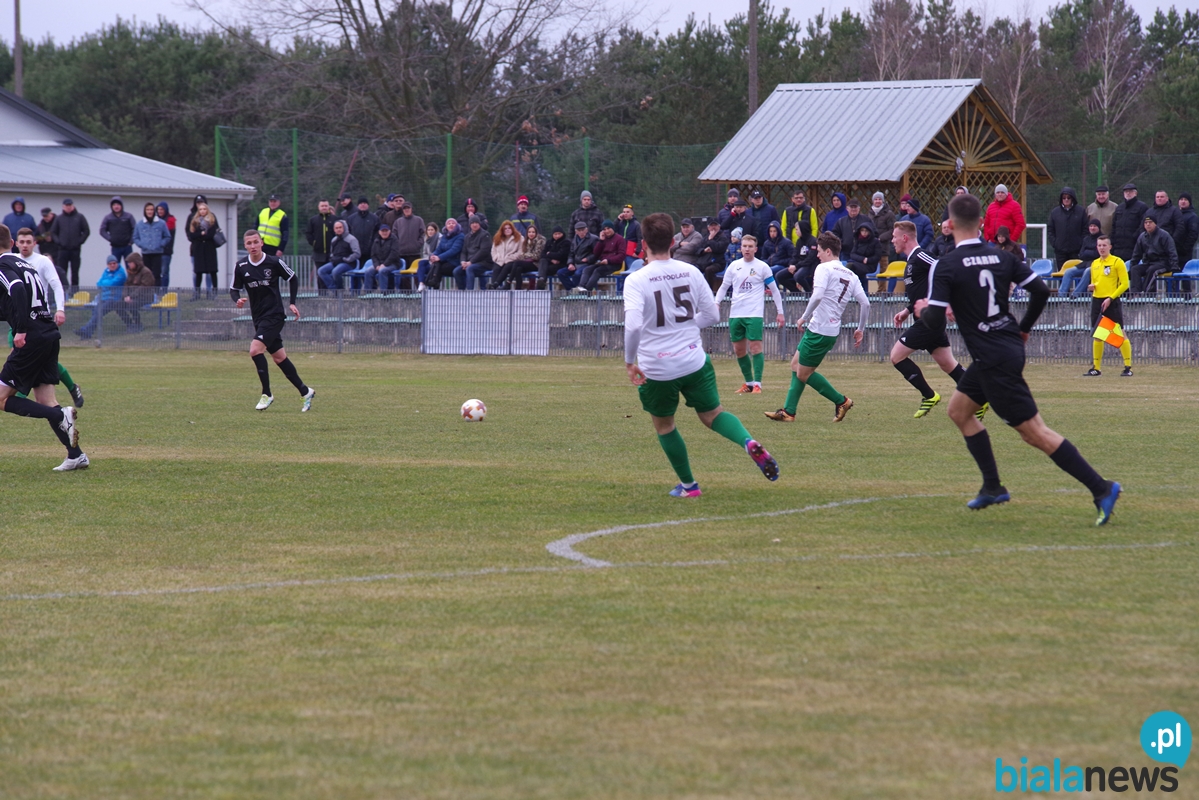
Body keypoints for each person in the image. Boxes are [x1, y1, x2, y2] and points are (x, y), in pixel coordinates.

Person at [914, 192, 1121, 524]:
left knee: (1034, 432)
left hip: (993, 359)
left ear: (949, 225)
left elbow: (935, 321)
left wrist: (923, 309)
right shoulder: (1001, 256)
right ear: (982, 222)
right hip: (1004, 348)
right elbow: (1039, 290)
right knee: (959, 411)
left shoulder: (948, 264)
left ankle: (1102, 488)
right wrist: (1024, 329)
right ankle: (993, 486)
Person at [623, 212, 779, 497]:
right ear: (673, 242)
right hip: (694, 360)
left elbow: (633, 326)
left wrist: (629, 362)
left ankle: (689, 486)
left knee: (665, 425)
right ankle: (748, 442)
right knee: (713, 414)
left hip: (657, 367)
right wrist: (683, 327)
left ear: (643, 243)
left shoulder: (636, 280)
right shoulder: (691, 272)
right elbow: (712, 315)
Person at [0, 225, 85, 471]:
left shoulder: (3, 265)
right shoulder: (25, 264)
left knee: (2, 398)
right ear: (13, 243)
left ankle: (60, 416)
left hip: (32, 336)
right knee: (46, 400)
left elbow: (17, 289)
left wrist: (21, 329)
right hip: (48, 333)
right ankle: (76, 455)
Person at [764, 232, 867, 424]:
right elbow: (866, 304)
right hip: (827, 330)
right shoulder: (851, 275)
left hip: (820, 329)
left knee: (803, 373)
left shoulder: (823, 268)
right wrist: (860, 328)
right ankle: (788, 412)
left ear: (828, 251)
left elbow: (818, 295)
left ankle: (841, 401)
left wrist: (803, 317)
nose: (817, 255)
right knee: (795, 365)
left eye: (819, 251)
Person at [889, 220, 974, 419]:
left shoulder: (920, 255)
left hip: (930, 320)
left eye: (894, 237)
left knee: (896, 356)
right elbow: (923, 292)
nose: (892, 240)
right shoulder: (911, 262)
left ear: (904, 237)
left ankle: (929, 395)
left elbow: (942, 266)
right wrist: (907, 310)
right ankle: (978, 397)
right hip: (927, 318)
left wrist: (949, 302)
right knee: (948, 364)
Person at [232, 230, 315, 412]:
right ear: (245, 245)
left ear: (261, 242)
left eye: (256, 242)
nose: (253, 246)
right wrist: (237, 300)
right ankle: (305, 391)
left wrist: (292, 302)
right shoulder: (241, 266)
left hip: (274, 315)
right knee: (279, 358)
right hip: (258, 317)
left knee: (255, 350)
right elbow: (234, 289)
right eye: (249, 243)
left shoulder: (274, 262)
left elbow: (292, 278)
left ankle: (267, 393)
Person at [12, 228, 83, 407]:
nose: (25, 245)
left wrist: (60, 309)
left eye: (29, 242)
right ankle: (71, 386)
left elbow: (56, 285)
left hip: (38, 319)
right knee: (31, 356)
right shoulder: (12, 260)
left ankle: (20, 394)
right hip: (18, 319)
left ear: (35, 243)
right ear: (16, 243)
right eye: (22, 242)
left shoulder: (42, 261)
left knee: (30, 355)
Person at [716, 234, 785, 394]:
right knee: (739, 350)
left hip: (754, 313)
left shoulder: (762, 267)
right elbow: (724, 287)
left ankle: (758, 384)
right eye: (744, 246)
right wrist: (716, 303)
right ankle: (748, 383)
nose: (747, 249)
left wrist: (780, 312)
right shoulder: (733, 266)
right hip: (735, 313)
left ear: (755, 249)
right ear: (741, 248)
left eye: (750, 246)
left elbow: (775, 290)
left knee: (755, 347)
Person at [1083, 235, 1133, 378]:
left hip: (1112, 301)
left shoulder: (1117, 262)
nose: (1101, 248)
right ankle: (1096, 368)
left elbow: (1125, 284)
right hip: (1097, 301)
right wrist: (1092, 287)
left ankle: (1128, 367)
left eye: (1104, 245)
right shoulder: (1094, 263)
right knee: (1097, 334)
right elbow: (1096, 282)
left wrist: (1111, 298)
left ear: (1110, 247)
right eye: (1099, 245)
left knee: (1120, 333)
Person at [76, 254, 134, 339]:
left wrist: (105, 283)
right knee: (96, 311)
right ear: (107, 265)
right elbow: (98, 283)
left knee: (99, 311)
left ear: (117, 263)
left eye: (114, 263)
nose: (112, 265)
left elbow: (113, 283)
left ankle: (85, 331)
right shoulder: (106, 271)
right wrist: (107, 283)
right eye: (110, 264)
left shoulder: (121, 273)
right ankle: (87, 333)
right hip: (104, 298)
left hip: (114, 299)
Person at [1127, 215, 1178, 294]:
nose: (1148, 224)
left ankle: (1146, 294)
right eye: (1146, 223)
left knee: (1152, 270)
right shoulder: (1142, 237)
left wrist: (1174, 267)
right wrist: (1131, 267)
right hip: (1148, 263)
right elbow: (1136, 255)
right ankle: (1135, 294)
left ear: (1155, 224)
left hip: (1163, 263)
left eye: (1150, 222)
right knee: (1135, 269)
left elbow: (1172, 252)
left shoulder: (1164, 235)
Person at [50, 198, 89, 291]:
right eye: (66, 206)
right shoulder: (59, 218)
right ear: (63, 207)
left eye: (70, 205)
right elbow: (53, 232)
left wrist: (79, 241)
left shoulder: (80, 217)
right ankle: (63, 291)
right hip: (62, 250)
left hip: (75, 250)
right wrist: (59, 242)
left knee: (75, 272)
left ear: (73, 206)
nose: (68, 207)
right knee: (62, 272)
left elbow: (86, 231)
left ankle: (74, 292)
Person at [186, 195, 221, 297]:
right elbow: (191, 235)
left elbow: (212, 233)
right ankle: (197, 293)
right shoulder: (193, 219)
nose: (202, 210)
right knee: (198, 271)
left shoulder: (212, 219)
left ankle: (213, 293)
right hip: (198, 249)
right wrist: (201, 234)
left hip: (210, 248)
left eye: (204, 208)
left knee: (212, 271)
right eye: (200, 208)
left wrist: (201, 236)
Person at [578, 220, 624, 293]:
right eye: (604, 229)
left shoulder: (620, 239)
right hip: (603, 263)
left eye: (608, 228)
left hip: (614, 264)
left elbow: (621, 256)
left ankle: (587, 290)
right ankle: (581, 287)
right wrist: (601, 241)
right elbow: (596, 253)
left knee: (597, 271)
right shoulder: (603, 239)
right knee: (587, 269)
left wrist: (608, 261)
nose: (607, 231)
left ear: (612, 228)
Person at [1047, 187, 1087, 272]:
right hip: (1060, 251)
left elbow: (1085, 229)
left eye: (1068, 197)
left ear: (1073, 198)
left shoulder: (1081, 211)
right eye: (1064, 198)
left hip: (1076, 250)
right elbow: (1050, 230)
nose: (1066, 200)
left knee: (1077, 273)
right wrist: (1055, 243)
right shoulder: (1055, 212)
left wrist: (1081, 243)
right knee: (1062, 274)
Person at [1059, 219, 1101, 298]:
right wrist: (1091, 253)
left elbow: (1098, 254)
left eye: (1095, 226)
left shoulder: (1101, 239)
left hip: (1097, 266)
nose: (1092, 228)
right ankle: (1061, 296)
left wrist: (1087, 253)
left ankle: (1075, 295)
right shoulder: (1086, 239)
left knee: (1088, 271)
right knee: (1068, 272)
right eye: (1091, 226)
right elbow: (1081, 255)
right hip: (1084, 264)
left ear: (1099, 227)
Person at [494, 223, 544, 290]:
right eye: (529, 232)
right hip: (527, 263)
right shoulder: (526, 241)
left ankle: (508, 283)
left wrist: (525, 255)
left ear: (536, 233)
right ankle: (517, 288)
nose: (531, 234)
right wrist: (526, 256)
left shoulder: (540, 241)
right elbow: (522, 255)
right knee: (517, 268)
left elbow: (536, 256)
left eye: (533, 232)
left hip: (536, 264)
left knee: (517, 263)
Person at [317, 220, 361, 292]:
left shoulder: (352, 239)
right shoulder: (334, 240)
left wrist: (346, 259)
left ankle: (340, 290)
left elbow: (357, 253)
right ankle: (335, 290)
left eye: (340, 227)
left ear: (345, 228)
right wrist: (333, 259)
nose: (338, 229)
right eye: (336, 228)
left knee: (335, 272)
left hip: (348, 263)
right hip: (335, 262)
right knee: (321, 271)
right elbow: (332, 253)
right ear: (334, 230)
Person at [132, 202, 170, 285]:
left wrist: (161, 244)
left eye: (151, 210)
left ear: (154, 211)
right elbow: (135, 237)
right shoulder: (140, 224)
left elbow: (167, 236)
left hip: (157, 253)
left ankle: (156, 292)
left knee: (157, 274)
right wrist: (142, 245)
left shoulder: (161, 223)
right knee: (146, 275)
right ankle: (148, 292)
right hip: (146, 253)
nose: (149, 212)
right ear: (145, 211)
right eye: (148, 210)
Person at [1110, 183, 1148, 261]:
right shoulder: (1119, 208)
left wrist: (1135, 237)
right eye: (1126, 191)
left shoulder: (1142, 207)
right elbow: (1114, 226)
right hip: (1118, 247)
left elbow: (1143, 226)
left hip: (1133, 247)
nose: (1128, 193)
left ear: (1136, 193)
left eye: (1130, 191)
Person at [456, 215, 494, 290]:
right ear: (470, 225)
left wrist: (471, 262)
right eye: (472, 223)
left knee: (470, 269)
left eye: (476, 223)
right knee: (456, 271)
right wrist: (463, 262)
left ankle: (470, 292)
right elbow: (463, 251)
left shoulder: (485, 235)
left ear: (479, 224)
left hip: (484, 263)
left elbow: (484, 251)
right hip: (470, 263)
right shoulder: (467, 237)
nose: (474, 225)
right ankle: (461, 291)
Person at [424, 218, 463, 290]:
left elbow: (454, 250)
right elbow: (439, 249)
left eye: (453, 223)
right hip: (445, 261)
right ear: (446, 226)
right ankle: (434, 284)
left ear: (457, 225)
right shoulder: (445, 236)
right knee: (436, 264)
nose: (451, 225)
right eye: (449, 223)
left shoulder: (460, 236)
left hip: (455, 262)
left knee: (437, 267)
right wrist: (433, 255)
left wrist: (439, 257)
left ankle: (433, 284)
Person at [558, 221, 598, 290]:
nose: (581, 232)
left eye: (583, 230)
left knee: (577, 274)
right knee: (561, 273)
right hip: (576, 264)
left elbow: (597, 253)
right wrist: (570, 263)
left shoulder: (594, 239)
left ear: (587, 230)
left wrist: (588, 258)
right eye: (579, 230)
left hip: (588, 264)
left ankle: (579, 291)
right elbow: (571, 253)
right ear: (576, 232)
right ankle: (572, 290)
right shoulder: (574, 240)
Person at [121, 251, 156, 331]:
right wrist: (125, 296)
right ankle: (129, 324)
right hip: (131, 297)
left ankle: (138, 324)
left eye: (130, 262)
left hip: (145, 297)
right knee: (117, 305)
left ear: (136, 262)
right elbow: (126, 285)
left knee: (132, 306)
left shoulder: (146, 272)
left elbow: (144, 287)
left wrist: (131, 296)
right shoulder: (131, 272)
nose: (128, 264)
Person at [305, 199, 338, 281]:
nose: (324, 207)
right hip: (318, 254)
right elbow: (308, 233)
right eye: (322, 206)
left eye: (326, 206)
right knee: (320, 275)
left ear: (328, 207)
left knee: (333, 274)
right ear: (318, 207)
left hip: (332, 254)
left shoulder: (335, 219)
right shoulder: (313, 220)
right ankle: (322, 290)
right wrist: (314, 243)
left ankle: (333, 289)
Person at [844, 219, 880, 291]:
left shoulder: (875, 242)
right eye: (862, 230)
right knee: (852, 268)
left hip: (870, 265)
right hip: (859, 263)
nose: (864, 233)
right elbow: (852, 254)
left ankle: (849, 290)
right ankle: (858, 291)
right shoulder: (858, 240)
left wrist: (868, 260)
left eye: (866, 231)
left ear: (870, 231)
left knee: (851, 267)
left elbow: (877, 256)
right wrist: (863, 259)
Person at [99, 196, 136, 266]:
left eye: (118, 204)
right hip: (115, 248)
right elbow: (102, 230)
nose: (116, 206)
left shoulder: (129, 216)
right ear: (111, 206)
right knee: (115, 267)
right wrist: (110, 239)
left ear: (121, 206)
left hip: (127, 247)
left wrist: (131, 241)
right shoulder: (108, 218)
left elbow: (135, 229)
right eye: (114, 205)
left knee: (130, 267)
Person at [486, 220, 523, 290]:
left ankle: (495, 285)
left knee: (506, 267)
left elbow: (521, 252)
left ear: (512, 229)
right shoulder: (497, 238)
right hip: (499, 260)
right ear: (502, 230)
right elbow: (493, 250)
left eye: (509, 228)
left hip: (512, 261)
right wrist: (495, 257)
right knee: (496, 269)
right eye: (505, 229)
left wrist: (511, 257)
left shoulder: (519, 238)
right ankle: (493, 288)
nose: (507, 230)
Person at [389, 202, 425, 274]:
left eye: (408, 208)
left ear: (412, 209)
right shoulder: (398, 222)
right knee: (403, 276)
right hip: (401, 254)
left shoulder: (419, 220)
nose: (406, 210)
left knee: (416, 275)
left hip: (415, 253)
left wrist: (418, 244)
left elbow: (423, 234)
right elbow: (394, 236)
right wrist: (398, 245)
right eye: (404, 208)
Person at [365, 224, 403, 292]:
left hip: (393, 264)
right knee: (368, 272)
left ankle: (384, 293)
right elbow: (373, 255)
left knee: (382, 271)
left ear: (389, 231)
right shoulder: (376, 240)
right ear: (379, 232)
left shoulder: (394, 239)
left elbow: (394, 254)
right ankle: (368, 293)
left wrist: (384, 264)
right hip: (379, 264)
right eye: (383, 231)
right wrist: (376, 265)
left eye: (386, 231)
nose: (384, 233)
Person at [696, 217, 731, 289]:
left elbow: (719, 248)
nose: (713, 227)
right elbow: (697, 250)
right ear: (708, 228)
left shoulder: (723, 237)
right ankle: (696, 290)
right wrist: (704, 250)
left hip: (718, 263)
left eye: (715, 225)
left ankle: (708, 291)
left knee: (709, 270)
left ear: (719, 227)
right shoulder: (705, 238)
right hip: (704, 262)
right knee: (694, 268)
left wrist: (711, 240)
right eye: (711, 225)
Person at [537, 225, 569, 289]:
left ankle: (540, 285)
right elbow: (542, 254)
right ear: (552, 235)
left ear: (562, 234)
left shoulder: (566, 242)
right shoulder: (549, 242)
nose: (557, 236)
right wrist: (551, 259)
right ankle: (541, 279)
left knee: (544, 270)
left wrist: (549, 254)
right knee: (543, 260)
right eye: (555, 234)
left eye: (559, 234)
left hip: (561, 264)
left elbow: (561, 255)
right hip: (550, 263)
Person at [868, 192, 896, 258]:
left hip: (883, 248)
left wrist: (880, 238)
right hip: (871, 249)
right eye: (876, 199)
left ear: (883, 201)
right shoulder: (870, 214)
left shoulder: (889, 214)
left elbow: (893, 230)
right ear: (873, 201)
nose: (878, 201)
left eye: (880, 199)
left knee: (883, 264)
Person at [415, 222, 440, 291]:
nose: (430, 231)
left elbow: (440, 250)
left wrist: (433, 258)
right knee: (421, 263)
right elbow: (424, 253)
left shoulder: (440, 238)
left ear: (435, 230)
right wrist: (429, 258)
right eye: (428, 230)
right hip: (429, 260)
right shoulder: (426, 240)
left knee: (421, 269)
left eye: (432, 230)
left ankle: (423, 284)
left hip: (437, 261)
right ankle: (421, 284)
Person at [156, 202, 176, 287]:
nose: (160, 211)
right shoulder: (154, 219)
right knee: (156, 272)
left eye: (162, 209)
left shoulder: (170, 220)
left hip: (166, 251)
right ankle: (156, 290)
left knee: (164, 272)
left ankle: (163, 291)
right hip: (155, 251)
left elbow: (165, 234)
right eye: (158, 209)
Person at [616, 205, 642, 270]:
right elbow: (612, 230)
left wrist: (637, 252)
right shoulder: (620, 223)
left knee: (631, 270)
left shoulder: (636, 224)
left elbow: (640, 239)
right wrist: (617, 220)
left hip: (631, 253)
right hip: (621, 252)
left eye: (628, 212)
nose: (625, 214)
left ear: (632, 213)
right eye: (624, 212)